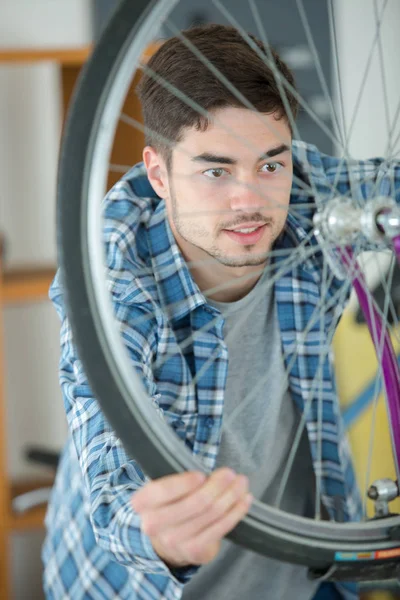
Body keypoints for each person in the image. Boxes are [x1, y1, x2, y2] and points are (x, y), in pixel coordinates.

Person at [42, 23, 399, 600]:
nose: (250, 200)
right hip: (149, 584)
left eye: (269, 165)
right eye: (216, 171)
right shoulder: (114, 275)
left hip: (306, 566)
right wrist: (152, 532)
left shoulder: (308, 190)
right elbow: (104, 442)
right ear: (158, 173)